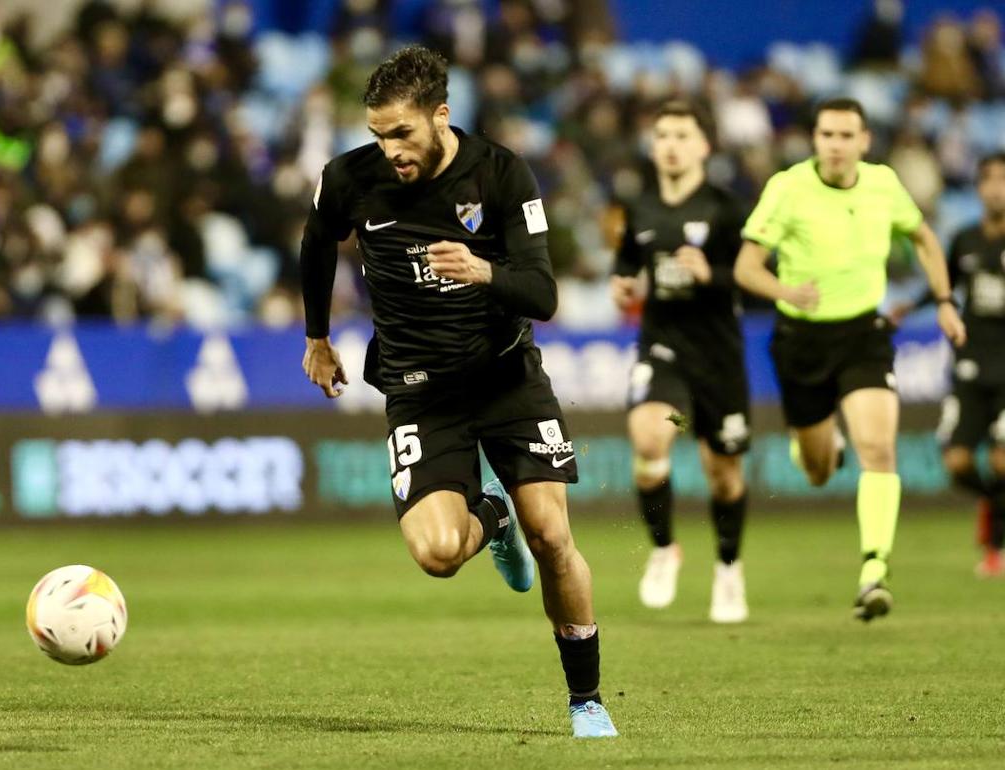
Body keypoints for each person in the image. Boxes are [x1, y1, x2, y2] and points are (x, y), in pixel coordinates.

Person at [299, 46, 617, 738]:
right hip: (419, 392)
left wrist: (483, 271)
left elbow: (543, 294)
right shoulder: (349, 178)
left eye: (402, 133)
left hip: (506, 379)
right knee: (438, 555)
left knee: (555, 535)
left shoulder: (502, 175)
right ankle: (490, 520)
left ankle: (586, 701)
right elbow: (317, 241)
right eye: (378, 134)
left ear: (442, 115)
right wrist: (316, 336)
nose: (389, 150)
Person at [734, 98, 966, 622]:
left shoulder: (884, 184)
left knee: (879, 448)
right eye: (826, 135)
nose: (835, 145)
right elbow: (746, 268)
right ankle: (818, 445)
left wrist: (946, 300)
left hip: (864, 333)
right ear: (815, 139)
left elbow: (925, 238)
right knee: (817, 470)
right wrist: (786, 289)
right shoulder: (788, 188)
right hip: (802, 340)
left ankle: (873, 570)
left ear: (864, 141)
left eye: (846, 136)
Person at [610, 100, 751, 623]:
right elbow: (626, 265)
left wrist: (711, 273)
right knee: (650, 438)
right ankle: (665, 547)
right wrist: (622, 284)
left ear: (703, 146)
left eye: (682, 135)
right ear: (653, 146)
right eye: (663, 134)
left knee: (725, 477)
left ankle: (729, 568)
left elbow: (758, 277)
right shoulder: (640, 209)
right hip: (664, 349)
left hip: (719, 355)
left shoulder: (728, 209)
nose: (671, 144)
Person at [928, 152, 1005, 577]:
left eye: (1003, 179)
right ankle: (994, 502)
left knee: (1002, 461)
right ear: (977, 188)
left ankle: (996, 546)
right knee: (957, 463)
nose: (996, 187)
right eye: (988, 179)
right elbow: (945, 288)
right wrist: (910, 306)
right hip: (972, 363)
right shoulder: (965, 239)